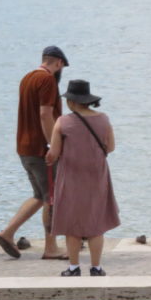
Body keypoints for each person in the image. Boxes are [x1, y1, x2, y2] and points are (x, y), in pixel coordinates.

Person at [0, 46, 69, 260]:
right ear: (59, 63)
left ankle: (7, 233)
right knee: (51, 198)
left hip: (24, 147)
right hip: (40, 149)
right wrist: (53, 146)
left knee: (39, 195)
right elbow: (45, 115)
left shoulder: (27, 78)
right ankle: (51, 248)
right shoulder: (47, 81)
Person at [46, 79, 119, 276]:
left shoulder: (63, 122)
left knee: (72, 223)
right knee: (96, 224)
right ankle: (96, 268)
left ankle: (74, 267)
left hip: (71, 177)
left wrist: (49, 157)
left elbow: (54, 152)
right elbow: (110, 147)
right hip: (97, 176)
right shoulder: (104, 119)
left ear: (71, 102)